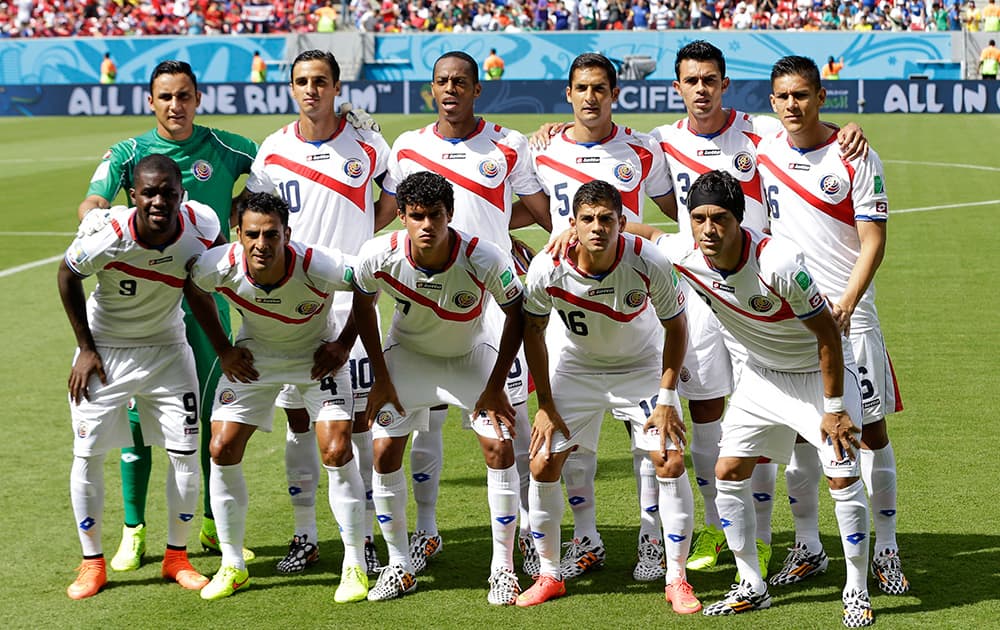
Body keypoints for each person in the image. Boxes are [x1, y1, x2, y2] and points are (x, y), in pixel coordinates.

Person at [644, 40, 869, 580]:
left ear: (724, 84)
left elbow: (807, 128)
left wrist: (847, 132)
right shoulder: (659, 142)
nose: (701, 89)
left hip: (763, 287)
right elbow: (652, 209)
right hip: (701, 288)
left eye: (710, 79)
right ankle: (714, 529)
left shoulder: (760, 129)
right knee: (706, 416)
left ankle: (772, 540)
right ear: (677, 87)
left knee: (775, 422)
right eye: (691, 80)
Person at [647, 169, 873, 627]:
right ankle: (752, 584)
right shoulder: (684, 252)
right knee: (728, 470)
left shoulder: (779, 262)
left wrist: (834, 410)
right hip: (761, 377)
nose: (709, 230)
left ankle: (857, 589)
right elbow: (647, 231)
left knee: (842, 478)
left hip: (817, 372)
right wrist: (568, 231)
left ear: (739, 219)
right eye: (699, 218)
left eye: (720, 219)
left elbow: (829, 333)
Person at [78, 59, 259, 572]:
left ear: (197, 98)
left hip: (205, 304)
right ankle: (134, 531)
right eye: (165, 97)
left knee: (204, 416)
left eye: (184, 96)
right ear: (151, 102)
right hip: (142, 312)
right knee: (134, 425)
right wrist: (98, 224)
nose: (175, 106)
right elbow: (94, 198)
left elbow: (273, 181)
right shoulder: (129, 154)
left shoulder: (230, 147)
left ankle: (207, 525)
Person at [377, 50, 550, 578]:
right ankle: (425, 531)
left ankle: (521, 534)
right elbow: (383, 212)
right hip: (426, 302)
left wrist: (504, 230)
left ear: (479, 89)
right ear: (433, 89)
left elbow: (542, 211)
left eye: (461, 82)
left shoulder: (509, 144)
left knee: (509, 423)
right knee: (423, 422)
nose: (450, 89)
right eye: (442, 82)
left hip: (492, 302)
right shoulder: (408, 147)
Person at [757, 55, 909, 599]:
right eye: (783, 97)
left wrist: (846, 301)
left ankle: (886, 549)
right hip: (789, 315)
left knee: (869, 433)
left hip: (851, 317)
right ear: (772, 103)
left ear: (821, 96)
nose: (793, 106)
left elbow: (874, 240)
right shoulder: (765, 146)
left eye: (802, 95)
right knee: (802, 433)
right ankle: (807, 546)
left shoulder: (854, 157)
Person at [245, 49, 392, 577]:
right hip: (292, 305)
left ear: (336, 86)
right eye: (303, 82)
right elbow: (260, 220)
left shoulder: (369, 143)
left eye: (322, 81)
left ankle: (367, 535)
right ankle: (304, 534)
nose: (312, 90)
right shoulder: (274, 149)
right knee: (298, 421)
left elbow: (393, 198)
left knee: (355, 425)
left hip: (350, 302)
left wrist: (360, 234)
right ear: (292, 89)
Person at [530, 51, 675, 584]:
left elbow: (675, 215)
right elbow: (515, 208)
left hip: (633, 308)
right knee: (574, 444)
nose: (590, 97)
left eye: (600, 88)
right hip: (571, 311)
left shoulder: (643, 149)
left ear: (615, 94)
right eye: (581, 88)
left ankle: (651, 542)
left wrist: (632, 233)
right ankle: (585, 539)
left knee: (650, 446)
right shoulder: (541, 152)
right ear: (568, 95)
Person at [352, 171, 526, 604]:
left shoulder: (484, 257)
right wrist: (381, 377)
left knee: (500, 445)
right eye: (416, 216)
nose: (426, 225)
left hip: (469, 356)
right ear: (402, 218)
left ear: (450, 215)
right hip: (408, 357)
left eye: (435, 215)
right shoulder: (379, 254)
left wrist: (494, 385)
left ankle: (502, 569)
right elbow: (361, 306)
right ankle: (398, 565)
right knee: (383, 449)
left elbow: (518, 315)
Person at [186, 192, 369, 603]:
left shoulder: (318, 264)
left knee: (337, 450)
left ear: (287, 234)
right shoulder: (219, 265)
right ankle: (232, 564)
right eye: (252, 234)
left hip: (316, 357)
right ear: (239, 234)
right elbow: (195, 290)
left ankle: (354, 562)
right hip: (254, 360)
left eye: (271, 234)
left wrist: (342, 345)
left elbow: (367, 286)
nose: (261, 244)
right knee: (221, 447)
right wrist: (223, 348)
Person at [516, 180, 691, 609]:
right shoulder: (547, 266)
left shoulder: (648, 260)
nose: (598, 228)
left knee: (668, 458)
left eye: (607, 219)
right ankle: (549, 573)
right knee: (542, 461)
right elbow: (533, 332)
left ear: (622, 222)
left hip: (641, 368)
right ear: (572, 224)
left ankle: (677, 578)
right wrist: (546, 406)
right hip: (577, 368)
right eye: (588, 219)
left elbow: (676, 327)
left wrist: (667, 398)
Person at [58, 155, 222, 600]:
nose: (158, 201)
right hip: (107, 354)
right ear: (133, 195)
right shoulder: (106, 234)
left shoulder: (201, 224)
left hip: (169, 351)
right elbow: (66, 275)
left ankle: (177, 558)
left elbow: (208, 277)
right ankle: (92, 563)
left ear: (181, 193)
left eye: (167, 192)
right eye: (149, 192)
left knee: (185, 452)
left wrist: (226, 347)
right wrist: (87, 349)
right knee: (88, 454)